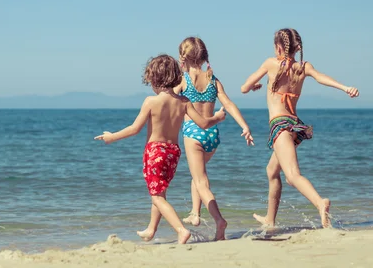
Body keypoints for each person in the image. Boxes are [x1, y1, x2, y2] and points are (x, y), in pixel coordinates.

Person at [94, 54, 226, 244]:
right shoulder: (183, 101)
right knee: (160, 190)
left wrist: (111, 137)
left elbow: (134, 129)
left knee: (156, 197)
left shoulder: (151, 101)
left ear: (155, 79)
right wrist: (218, 118)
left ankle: (181, 230)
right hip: (173, 152)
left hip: (155, 152)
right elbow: (204, 123)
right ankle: (151, 229)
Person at [240, 28, 359, 228]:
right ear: (297, 48)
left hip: (280, 126)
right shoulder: (303, 67)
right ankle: (270, 219)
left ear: (278, 46)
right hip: (295, 126)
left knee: (292, 176)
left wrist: (253, 87)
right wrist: (345, 88)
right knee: (271, 171)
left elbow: (243, 88)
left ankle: (320, 202)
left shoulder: (270, 63)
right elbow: (321, 78)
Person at [174, 37, 254, 241]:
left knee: (201, 181)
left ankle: (219, 220)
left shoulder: (182, 80)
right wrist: (244, 126)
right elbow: (228, 103)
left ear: (183, 57)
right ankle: (195, 213)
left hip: (193, 132)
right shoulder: (213, 79)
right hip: (212, 135)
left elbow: (169, 100)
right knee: (198, 174)